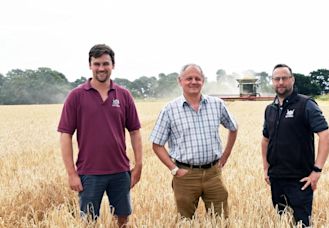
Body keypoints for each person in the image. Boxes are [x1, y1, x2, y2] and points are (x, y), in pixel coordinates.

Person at [58, 44, 143, 227]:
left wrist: (138, 165)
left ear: (113, 65)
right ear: (90, 65)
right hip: (89, 172)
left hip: (120, 171)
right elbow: (65, 135)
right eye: (97, 64)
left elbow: (135, 131)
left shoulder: (124, 95)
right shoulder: (76, 96)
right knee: (89, 221)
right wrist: (72, 173)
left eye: (106, 63)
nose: (101, 68)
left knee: (123, 218)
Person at [150, 63, 238, 219]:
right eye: (188, 78)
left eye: (197, 78)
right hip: (185, 175)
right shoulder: (169, 110)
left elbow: (233, 127)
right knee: (186, 220)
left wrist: (225, 157)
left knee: (221, 219)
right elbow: (157, 144)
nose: (193, 82)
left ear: (203, 81)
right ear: (180, 81)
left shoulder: (216, 104)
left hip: (213, 174)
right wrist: (174, 169)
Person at [261, 64, 329, 227]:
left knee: (302, 223)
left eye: (284, 78)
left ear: (292, 80)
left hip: (300, 180)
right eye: (276, 79)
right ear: (272, 81)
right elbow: (265, 139)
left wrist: (317, 171)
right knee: (283, 222)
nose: (280, 82)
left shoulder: (306, 104)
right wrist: (266, 168)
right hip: (276, 178)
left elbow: (326, 136)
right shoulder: (270, 109)